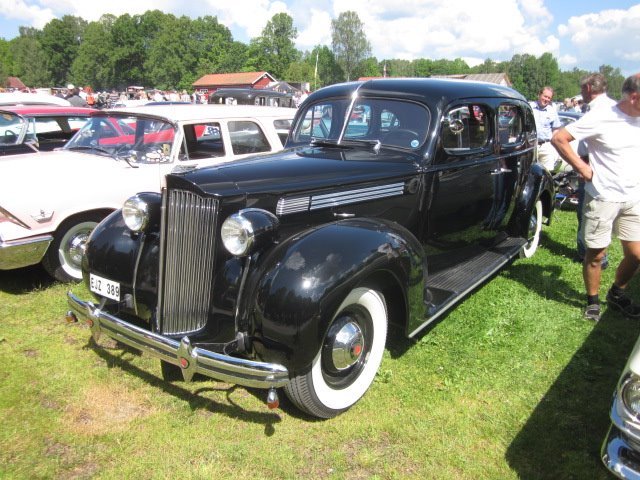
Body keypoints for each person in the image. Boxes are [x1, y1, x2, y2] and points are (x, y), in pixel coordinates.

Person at [551, 73, 640, 322]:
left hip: (634, 197)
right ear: (634, 97)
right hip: (603, 196)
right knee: (597, 254)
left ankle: (617, 293)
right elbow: (559, 138)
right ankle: (592, 302)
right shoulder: (602, 116)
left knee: (636, 255)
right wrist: (582, 168)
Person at [574, 73, 618, 266]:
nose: (581, 93)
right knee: (598, 215)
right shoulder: (614, 107)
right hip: (605, 168)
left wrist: (582, 166)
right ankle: (590, 253)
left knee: (592, 214)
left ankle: (593, 256)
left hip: (595, 168)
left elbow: (563, 139)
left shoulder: (598, 111)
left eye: (582, 89)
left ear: (589, 88)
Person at [530, 86, 562, 171]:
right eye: (545, 96)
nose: (546, 99)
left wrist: (554, 144)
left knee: (547, 172)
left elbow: (556, 129)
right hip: (531, 146)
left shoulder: (552, 111)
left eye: (549, 98)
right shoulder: (530, 107)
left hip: (546, 146)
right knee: (528, 171)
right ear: (539, 95)